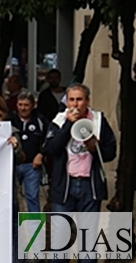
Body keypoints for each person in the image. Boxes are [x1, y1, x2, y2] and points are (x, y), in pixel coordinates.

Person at [42, 84, 116, 220]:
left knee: (87, 235)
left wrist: (95, 149)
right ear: (67, 102)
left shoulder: (98, 120)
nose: (75, 104)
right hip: (65, 185)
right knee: (61, 234)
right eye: (71, 100)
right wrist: (68, 125)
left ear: (87, 101)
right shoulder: (59, 120)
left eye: (79, 99)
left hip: (90, 186)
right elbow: (50, 149)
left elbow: (111, 152)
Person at [10, 93, 46, 213]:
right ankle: (13, 230)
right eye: (20, 105)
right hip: (12, 165)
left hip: (32, 166)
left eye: (26, 105)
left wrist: (41, 154)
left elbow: (48, 140)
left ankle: (35, 231)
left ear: (33, 106)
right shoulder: (9, 120)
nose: (23, 108)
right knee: (12, 199)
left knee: (32, 198)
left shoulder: (40, 121)